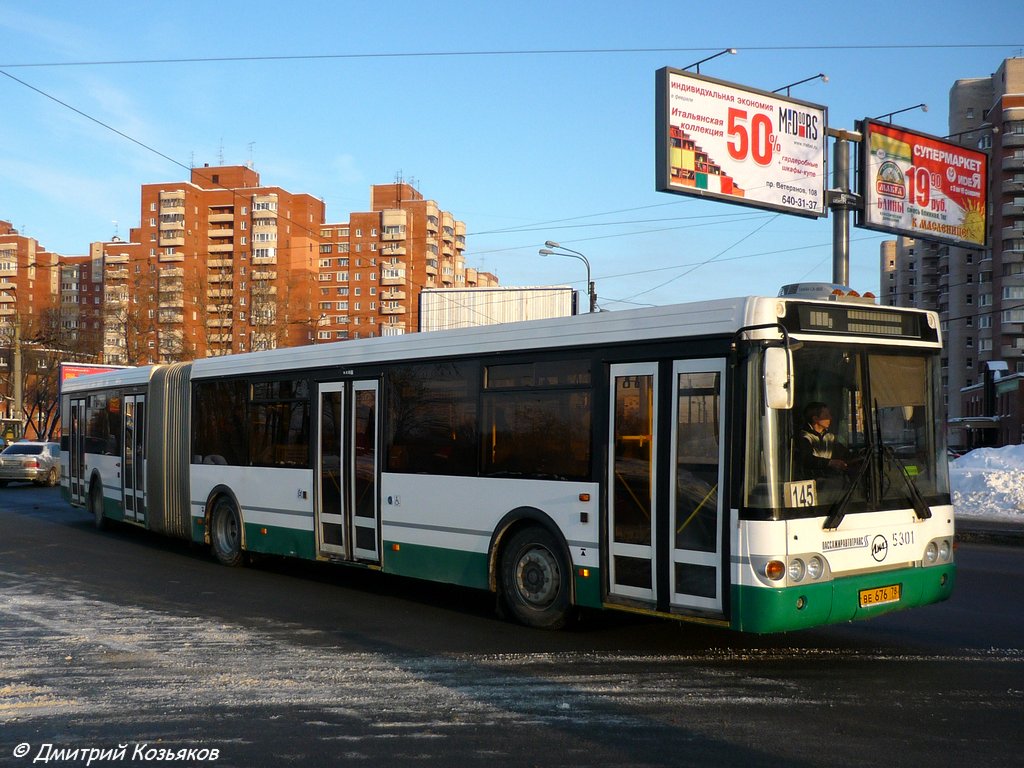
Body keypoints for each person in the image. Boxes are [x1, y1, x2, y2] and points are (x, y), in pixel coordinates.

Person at [794, 402, 849, 480]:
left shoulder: (830, 437)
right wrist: (830, 463)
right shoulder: (804, 437)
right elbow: (806, 460)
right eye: (826, 416)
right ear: (815, 419)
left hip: (828, 483)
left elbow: (843, 453)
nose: (830, 418)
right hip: (809, 482)